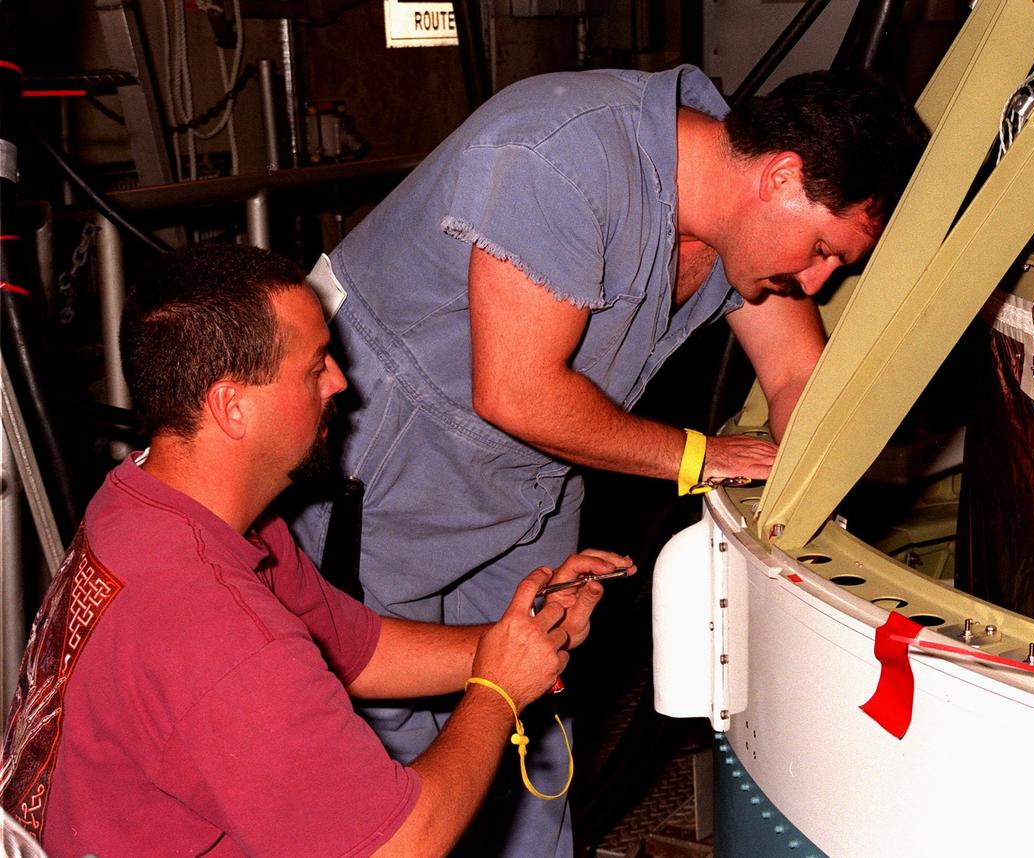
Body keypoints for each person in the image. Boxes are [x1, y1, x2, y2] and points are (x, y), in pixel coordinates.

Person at [294, 65, 924, 855]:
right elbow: (517, 393)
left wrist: (806, 517)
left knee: (534, 705)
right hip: (389, 472)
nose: (818, 279)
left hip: (531, 484)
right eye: (824, 249)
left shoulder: (732, 206)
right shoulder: (562, 158)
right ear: (782, 176)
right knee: (390, 749)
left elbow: (797, 376)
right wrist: (700, 456)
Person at [0, 243, 627, 856]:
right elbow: (399, 847)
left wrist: (524, 637)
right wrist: (496, 692)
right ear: (231, 406)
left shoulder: (154, 502)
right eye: (314, 365)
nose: (340, 382)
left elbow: (356, 650)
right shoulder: (217, 632)